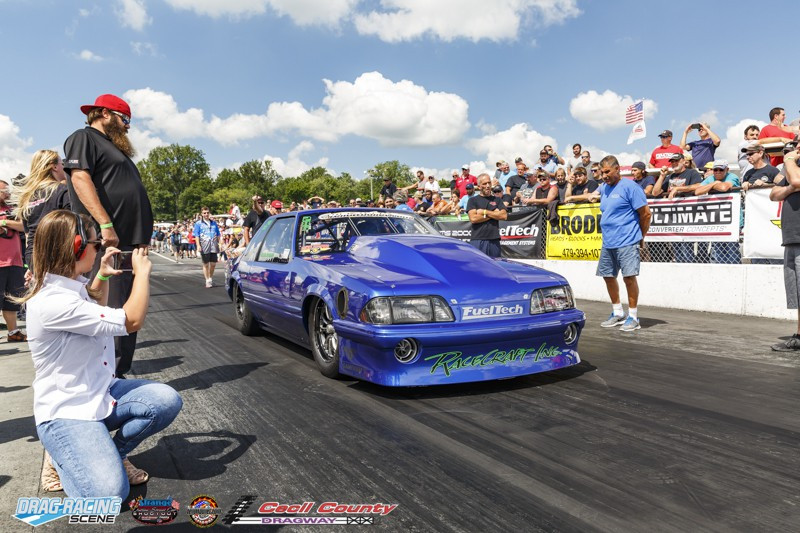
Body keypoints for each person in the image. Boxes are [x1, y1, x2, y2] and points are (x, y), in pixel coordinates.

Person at [23, 210, 181, 497]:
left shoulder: (69, 286)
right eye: (96, 244)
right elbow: (132, 320)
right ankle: (62, 457)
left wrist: (102, 275)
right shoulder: (54, 302)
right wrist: (142, 274)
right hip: (67, 412)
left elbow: (94, 306)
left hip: (99, 392)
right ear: (76, 247)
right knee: (109, 494)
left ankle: (112, 454)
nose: (99, 249)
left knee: (166, 400)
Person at [63, 93, 153, 379]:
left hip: (127, 243)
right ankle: (108, 377)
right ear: (105, 113)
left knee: (126, 306)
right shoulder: (84, 137)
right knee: (110, 309)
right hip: (108, 242)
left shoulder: (113, 147)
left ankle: (117, 373)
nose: (127, 126)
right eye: (124, 119)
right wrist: (105, 224)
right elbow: (80, 178)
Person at [596, 156, 652, 332]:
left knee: (629, 278)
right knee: (608, 276)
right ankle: (618, 312)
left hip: (627, 240)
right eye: (602, 172)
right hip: (608, 242)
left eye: (607, 171)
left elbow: (646, 214)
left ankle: (633, 317)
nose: (604, 176)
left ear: (617, 169)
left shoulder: (631, 187)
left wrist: (640, 236)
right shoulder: (604, 188)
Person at [13, 150, 72, 277]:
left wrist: (32, 265)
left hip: (33, 256)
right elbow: (71, 227)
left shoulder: (27, 197)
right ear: (54, 166)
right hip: (58, 253)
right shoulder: (63, 191)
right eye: (62, 164)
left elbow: (28, 234)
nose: (64, 167)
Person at [769, 146, 800, 351]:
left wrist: (788, 160)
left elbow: (796, 181)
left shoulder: (791, 164)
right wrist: (789, 189)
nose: (797, 147)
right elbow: (774, 194)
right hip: (792, 237)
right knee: (797, 292)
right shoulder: (792, 167)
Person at [0, 180, 27, 341]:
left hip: (15, 261)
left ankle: (13, 332)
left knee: (12, 300)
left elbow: (23, 226)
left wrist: (5, 222)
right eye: (4, 191)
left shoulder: (12, 209)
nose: (7, 193)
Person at [467, 174, 507, 257]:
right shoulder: (472, 200)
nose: (488, 186)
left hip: (494, 240)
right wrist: (494, 213)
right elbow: (473, 219)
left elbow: (503, 216)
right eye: (484, 184)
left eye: (489, 183)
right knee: (478, 264)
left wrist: (484, 212)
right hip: (478, 240)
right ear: (479, 186)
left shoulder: (497, 200)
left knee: (495, 264)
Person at [193, 207, 221, 288]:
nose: (206, 214)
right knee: (206, 264)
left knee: (213, 264)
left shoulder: (214, 223)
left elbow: (218, 234)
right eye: (204, 213)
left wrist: (220, 243)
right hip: (204, 245)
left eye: (207, 213)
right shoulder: (198, 223)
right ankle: (207, 280)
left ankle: (210, 278)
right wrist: (198, 245)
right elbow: (196, 235)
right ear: (202, 214)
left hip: (213, 245)